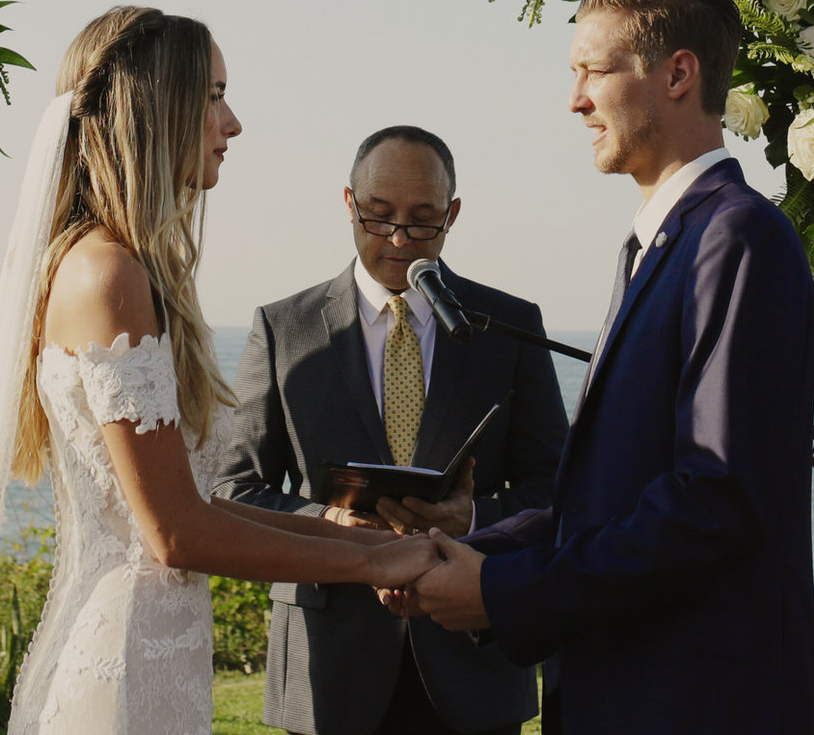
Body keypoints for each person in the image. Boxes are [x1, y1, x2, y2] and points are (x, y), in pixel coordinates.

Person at [0, 7, 443, 735]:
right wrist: (372, 568)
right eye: (212, 95)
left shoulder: (129, 268)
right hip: (122, 675)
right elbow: (174, 532)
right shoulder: (104, 273)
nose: (232, 122)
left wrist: (380, 545)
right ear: (154, 107)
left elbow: (199, 502)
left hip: (159, 658)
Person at [385, 0, 814, 735]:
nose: (575, 100)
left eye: (594, 70)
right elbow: (607, 498)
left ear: (677, 74)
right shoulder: (647, 246)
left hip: (691, 705)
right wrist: (456, 551)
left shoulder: (738, 236)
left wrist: (506, 591)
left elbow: (714, 498)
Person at [214, 125, 569, 735]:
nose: (400, 240)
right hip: (327, 666)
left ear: (453, 214)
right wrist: (331, 528)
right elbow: (232, 492)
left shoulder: (509, 327)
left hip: (474, 663)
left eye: (423, 220)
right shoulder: (282, 329)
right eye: (378, 217)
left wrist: (474, 521)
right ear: (349, 204)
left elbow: (560, 493)